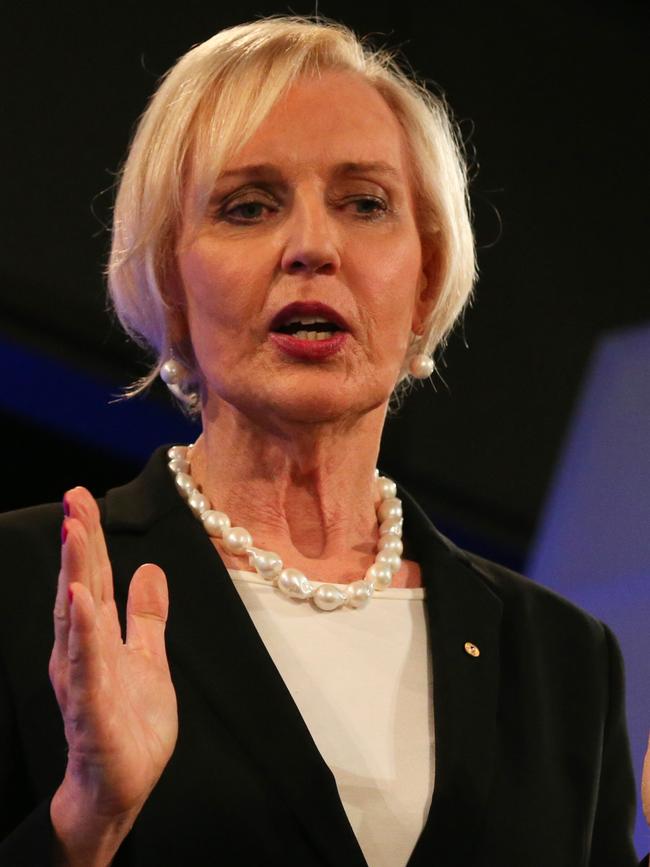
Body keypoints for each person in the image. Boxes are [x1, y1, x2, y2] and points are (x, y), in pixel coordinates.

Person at [0, 15, 647, 867]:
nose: (311, 245)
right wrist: (83, 825)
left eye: (365, 203)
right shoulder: (29, 587)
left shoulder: (559, 658)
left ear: (424, 282)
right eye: (249, 206)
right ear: (172, 283)